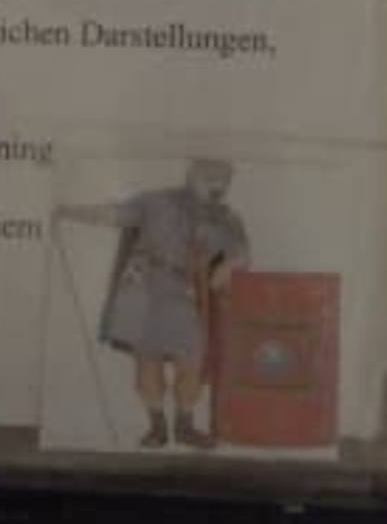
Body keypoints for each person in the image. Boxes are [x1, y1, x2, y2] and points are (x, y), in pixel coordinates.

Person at [56, 159, 251, 449]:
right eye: (210, 177)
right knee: (148, 359)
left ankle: (184, 426)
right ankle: (156, 427)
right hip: (147, 290)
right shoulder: (156, 202)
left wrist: (230, 265)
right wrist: (70, 211)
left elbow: (242, 252)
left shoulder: (226, 219)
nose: (217, 185)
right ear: (192, 176)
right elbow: (114, 214)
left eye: (223, 180)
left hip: (188, 293)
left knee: (192, 358)